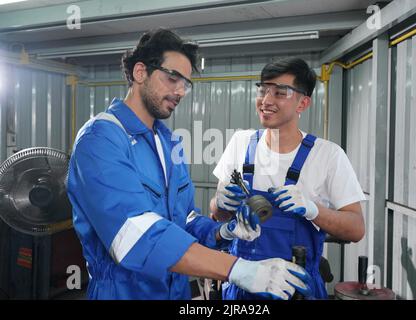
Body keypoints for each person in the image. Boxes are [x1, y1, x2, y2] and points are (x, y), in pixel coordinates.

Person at [66, 28, 313, 300]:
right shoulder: (101, 139)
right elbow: (135, 237)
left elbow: (185, 220)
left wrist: (224, 231)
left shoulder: (169, 142)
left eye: (185, 83)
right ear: (140, 73)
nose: (180, 91)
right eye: (172, 78)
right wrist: (241, 270)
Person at [210, 57, 366, 300]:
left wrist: (314, 210)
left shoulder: (327, 155)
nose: (267, 100)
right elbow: (218, 217)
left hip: (296, 290)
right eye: (263, 90)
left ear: (303, 103)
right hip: (241, 285)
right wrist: (220, 203)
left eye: (280, 93)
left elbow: (356, 229)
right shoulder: (240, 143)